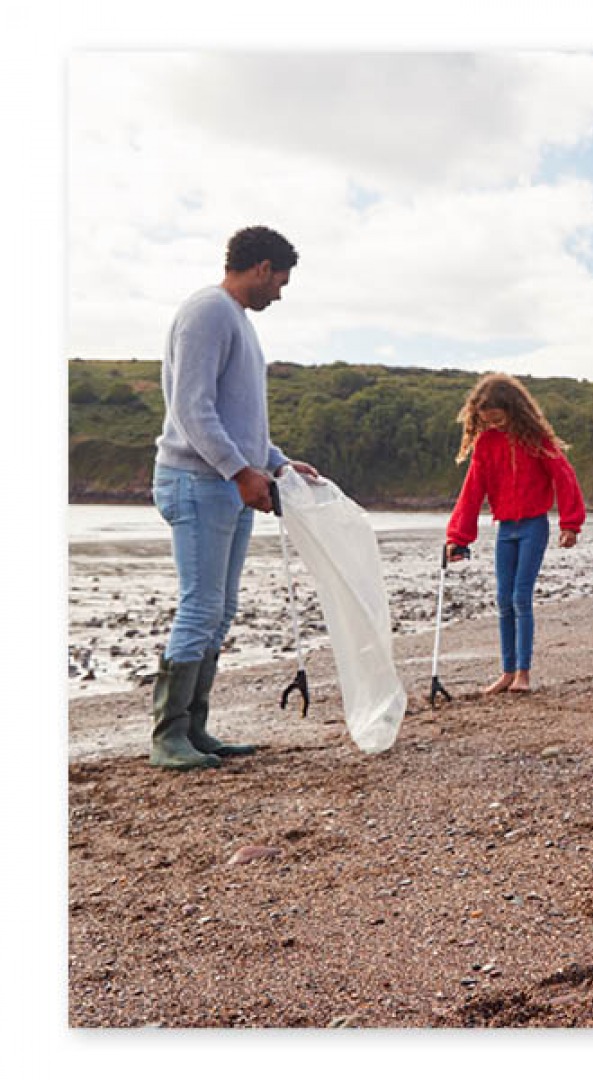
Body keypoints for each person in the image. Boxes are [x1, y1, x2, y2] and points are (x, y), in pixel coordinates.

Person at [150, 225, 318, 770]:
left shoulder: (238, 323)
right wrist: (241, 472)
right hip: (198, 482)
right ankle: (168, 736)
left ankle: (194, 729)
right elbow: (191, 410)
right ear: (262, 267)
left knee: (219, 611)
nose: (280, 293)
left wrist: (276, 463)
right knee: (200, 606)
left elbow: (239, 422)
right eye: (281, 281)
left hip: (228, 483)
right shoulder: (209, 312)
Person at [445, 373, 586, 694]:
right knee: (503, 600)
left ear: (514, 409)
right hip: (506, 529)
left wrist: (570, 523)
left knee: (521, 598)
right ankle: (507, 673)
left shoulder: (536, 439)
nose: (494, 426)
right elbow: (472, 491)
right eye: (488, 421)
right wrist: (458, 537)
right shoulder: (485, 444)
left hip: (534, 527)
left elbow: (564, 476)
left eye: (498, 419)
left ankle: (523, 673)